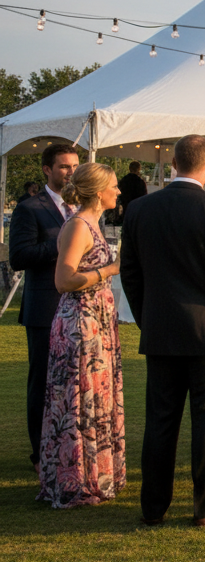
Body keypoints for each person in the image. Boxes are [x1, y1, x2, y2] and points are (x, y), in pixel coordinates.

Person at [121, 135, 205, 527]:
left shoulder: (140, 209)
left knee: (161, 420)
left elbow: (131, 274)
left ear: (173, 163)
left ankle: (153, 507)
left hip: (161, 330)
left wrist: (148, 318)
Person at [36, 163, 125, 508]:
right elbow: (63, 281)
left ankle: (95, 474)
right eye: (114, 186)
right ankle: (75, 480)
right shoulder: (78, 226)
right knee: (78, 402)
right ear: (98, 190)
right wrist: (110, 269)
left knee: (94, 399)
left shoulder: (92, 224)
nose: (118, 192)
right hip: (79, 325)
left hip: (95, 321)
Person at [9, 143, 80, 473]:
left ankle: (66, 446)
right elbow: (19, 257)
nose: (71, 172)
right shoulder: (29, 208)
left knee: (72, 383)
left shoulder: (79, 207)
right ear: (47, 170)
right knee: (43, 382)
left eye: (74, 166)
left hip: (76, 308)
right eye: (64, 166)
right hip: (43, 307)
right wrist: (64, 244)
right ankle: (39, 455)